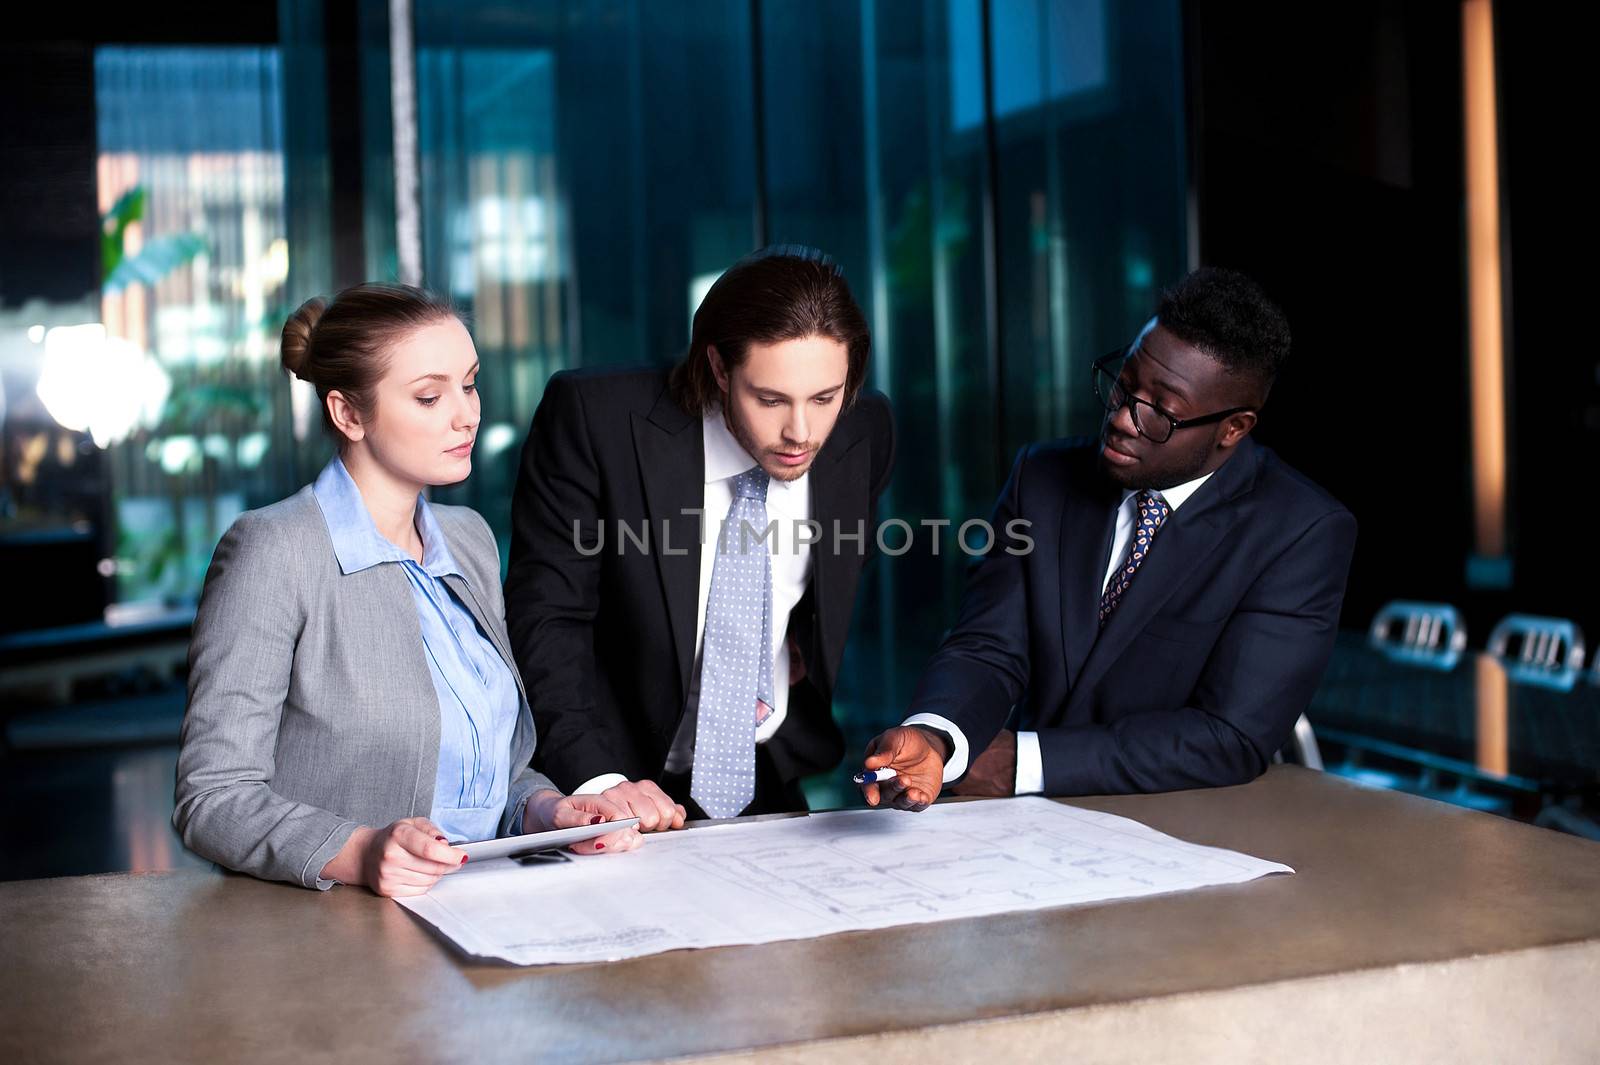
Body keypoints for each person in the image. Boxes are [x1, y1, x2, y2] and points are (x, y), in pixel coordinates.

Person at [174, 283, 639, 895]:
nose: (466, 414)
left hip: (485, 904)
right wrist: (360, 852)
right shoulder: (275, 550)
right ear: (349, 414)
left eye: (469, 384)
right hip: (335, 932)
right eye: (428, 396)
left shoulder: (468, 539)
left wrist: (545, 810)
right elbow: (213, 797)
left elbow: (478, 771)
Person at [861, 266, 1356, 808]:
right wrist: (937, 735)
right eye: (1123, 384)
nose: (1122, 418)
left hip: (1183, 829)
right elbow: (988, 646)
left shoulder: (1300, 532)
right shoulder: (1042, 479)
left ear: (1232, 429)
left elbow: (1230, 737)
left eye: (1160, 414)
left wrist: (1024, 763)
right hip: (1023, 830)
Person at [506, 246, 895, 823]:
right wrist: (600, 783)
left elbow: (830, 578)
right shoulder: (597, 420)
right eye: (769, 399)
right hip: (617, 778)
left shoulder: (866, 432)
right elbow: (547, 619)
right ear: (718, 368)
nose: (801, 432)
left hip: (766, 771)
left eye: (824, 398)